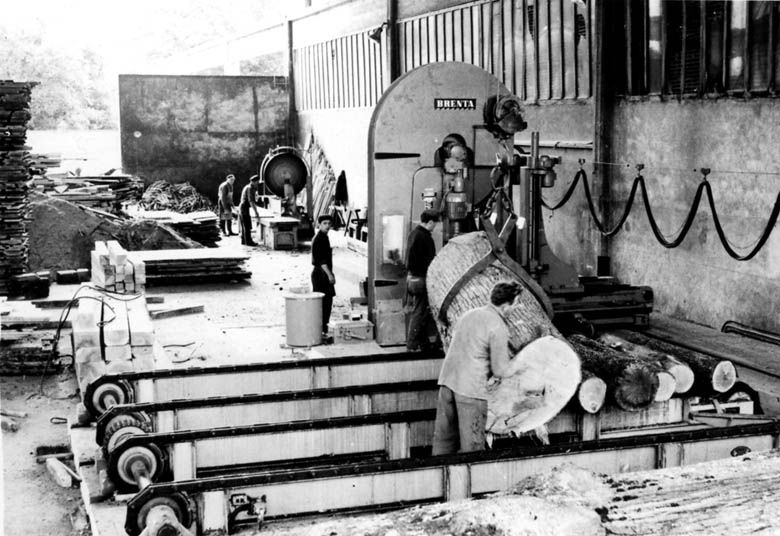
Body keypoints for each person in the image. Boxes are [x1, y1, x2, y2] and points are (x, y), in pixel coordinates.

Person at [431, 281, 524, 455]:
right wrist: (520, 366)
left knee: (443, 444)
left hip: (447, 382)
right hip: (470, 391)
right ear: (505, 306)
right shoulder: (498, 325)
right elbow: (500, 370)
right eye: (516, 303)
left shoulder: (469, 314)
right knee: (472, 450)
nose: (517, 308)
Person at [404, 209, 440, 351]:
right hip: (421, 279)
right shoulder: (425, 237)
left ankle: (423, 344)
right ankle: (411, 345)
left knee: (423, 312)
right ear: (430, 222)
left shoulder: (414, 233)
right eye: (435, 224)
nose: (435, 227)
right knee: (420, 313)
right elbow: (431, 262)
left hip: (411, 279)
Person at [311, 214, 335, 340]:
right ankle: (320, 331)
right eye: (324, 223)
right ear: (319, 225)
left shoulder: (324, 237)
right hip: (321, 274)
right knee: (323, 304)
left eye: (329, 223)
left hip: (322, 273)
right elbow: (321, 261)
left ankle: (323, 330)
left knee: (327, 303)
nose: (327, 226)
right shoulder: (319, 239)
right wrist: (330, 275)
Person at [238, 175, 261, 246]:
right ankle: (249, 242)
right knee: (247, 225)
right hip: (244, 207)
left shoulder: (248, 186)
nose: (258, 184)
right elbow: (251, 201)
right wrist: (256, 212)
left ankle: (244, 241)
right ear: (254, 182)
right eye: (257, 182)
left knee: (244, 225)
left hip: (243, 207)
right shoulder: (250, 188)